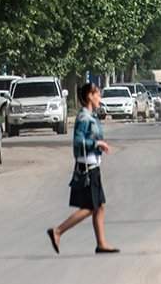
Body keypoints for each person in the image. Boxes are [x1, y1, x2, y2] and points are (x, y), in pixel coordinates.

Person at [47, 83, 116, 254]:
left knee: (99, 205)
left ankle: (101, 243)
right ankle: (58, 231)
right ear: (89, 96)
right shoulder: (84, 118)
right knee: (90, 207)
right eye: (97, 94)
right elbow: (78, 142)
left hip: (94, 165)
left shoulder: (91, 116)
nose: (100, 98)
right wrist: (97, 143)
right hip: (87, 167)